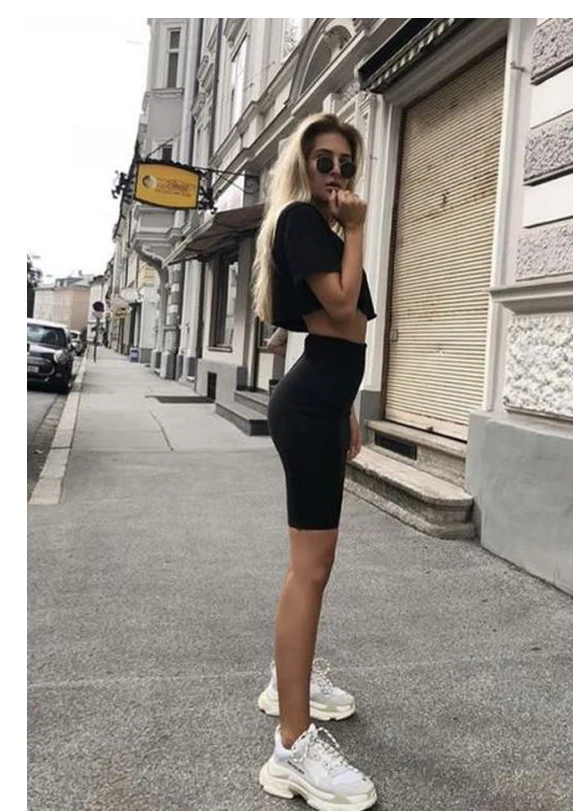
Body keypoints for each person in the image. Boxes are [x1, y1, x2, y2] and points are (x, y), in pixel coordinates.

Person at [251, 112, 378, 810]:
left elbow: (342, 332)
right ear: (303, 165)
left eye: (346, 164)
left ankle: (288, 680)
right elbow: (340, 300)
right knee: (310, 568)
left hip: (322, 402)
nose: (335, 173)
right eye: (323, 160)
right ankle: (291, 747)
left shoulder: (317, 229)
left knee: (313, 566)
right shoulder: (304, 220)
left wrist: (346, 407)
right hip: (305, 409)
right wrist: (357, 226)